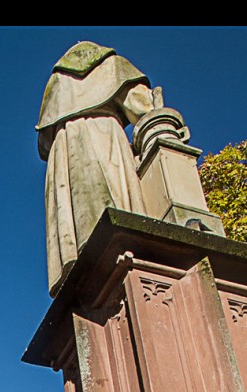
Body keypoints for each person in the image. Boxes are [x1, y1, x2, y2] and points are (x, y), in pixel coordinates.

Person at [36, 40, 155, 295]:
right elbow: (142, 107)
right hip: (103, 134)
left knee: (77, 215)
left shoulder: (56, 83)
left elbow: (43, 144)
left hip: (65, 150)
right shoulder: (112, 65)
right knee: (114, 202)